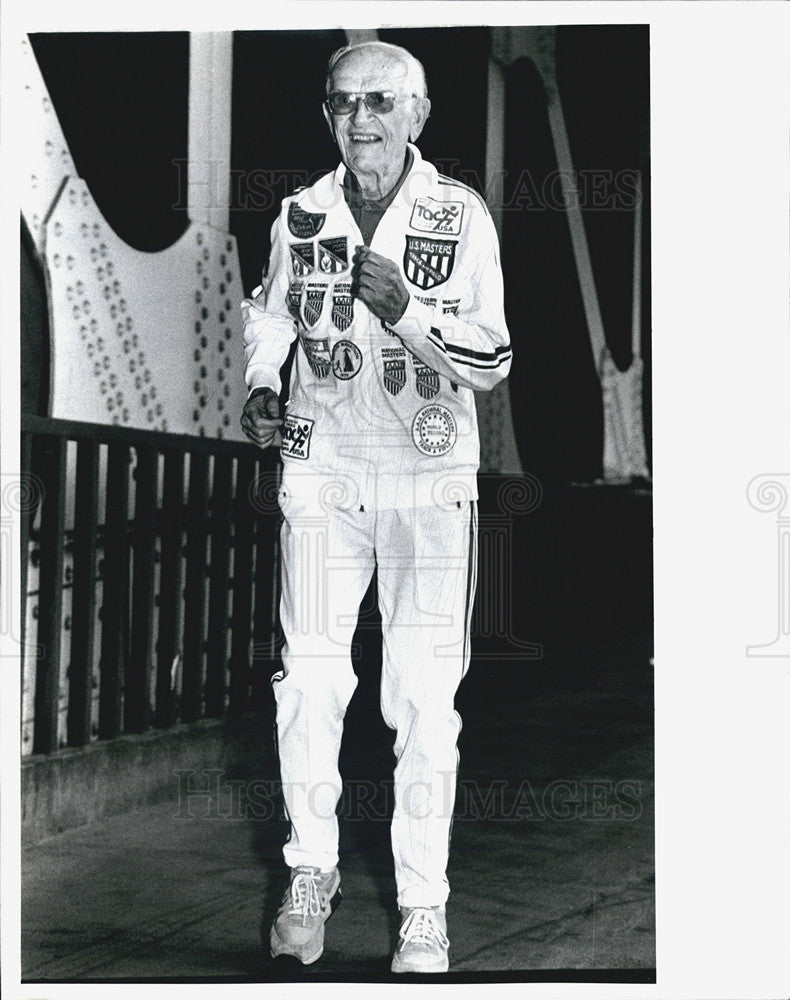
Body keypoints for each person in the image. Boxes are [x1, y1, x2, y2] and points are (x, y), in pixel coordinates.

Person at [240, 39, 511, 974]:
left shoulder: (458, 215)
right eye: (345, 103)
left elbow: (493, 357)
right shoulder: (301, 213)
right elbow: (270, 310)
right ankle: (311, 870)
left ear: (418, 114)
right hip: (323, 469)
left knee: (424, 702)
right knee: (309, 679)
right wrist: (260, 382)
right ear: (328, 116)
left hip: (428, 478)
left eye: (382, 102)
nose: (363, 120)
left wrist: (409, 312)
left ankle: (423, 910)